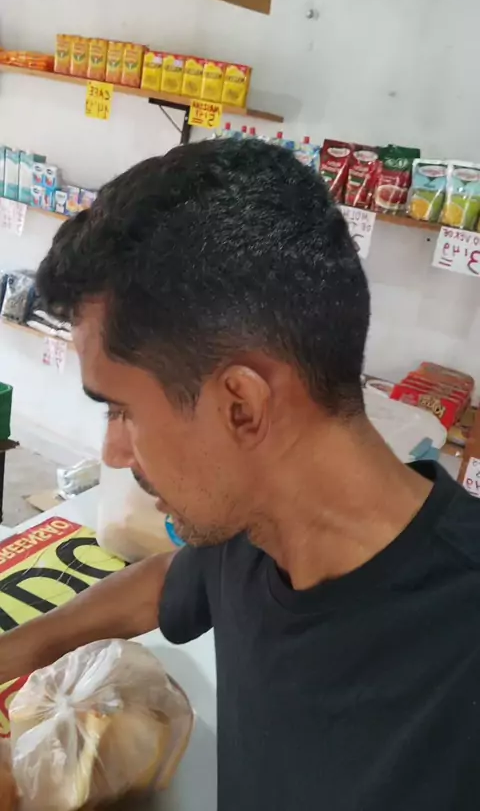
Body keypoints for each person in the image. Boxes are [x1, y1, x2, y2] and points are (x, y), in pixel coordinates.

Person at [0, 137, 479, 811]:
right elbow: (167, 581)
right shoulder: (249, 533)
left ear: (242, 406)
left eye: (121, 411)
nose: (113, 453)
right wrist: (15, 653)